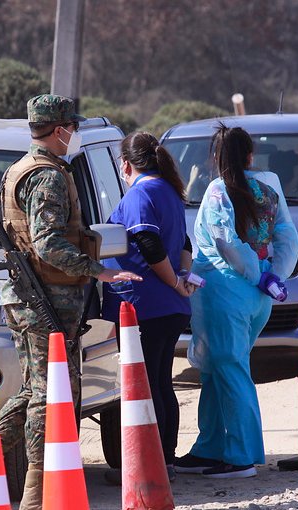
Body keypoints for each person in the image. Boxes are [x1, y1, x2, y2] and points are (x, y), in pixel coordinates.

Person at [0, 94, 141, 509]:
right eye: (72, 126)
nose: (74, 132)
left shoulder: (20, 168)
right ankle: (37, 494)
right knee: (50, 396)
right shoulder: (47, 176)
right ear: (59, 130)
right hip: (44, 301)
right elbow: (48, 243)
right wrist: (99, 270)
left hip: (30, 297)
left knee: (36, 389)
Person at [175, 124, 298, 478]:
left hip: (225, 292)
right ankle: (210, 448)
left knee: (229, 370)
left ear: (215, 157)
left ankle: (242, 455)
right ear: (249, 157)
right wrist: (272, 274)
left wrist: (252, 273)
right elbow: (288, 236)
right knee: (217, 371)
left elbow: (225, 242)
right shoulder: (269, 187)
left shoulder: (217, 191)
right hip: (257, 295)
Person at [100, 131, 195, 484]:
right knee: (160, 383)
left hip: (146, 306)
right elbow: (184, 242)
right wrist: (182, 278)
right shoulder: (170, 190)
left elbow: (148, 242)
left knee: (146, 387)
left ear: (126, 165)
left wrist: (173, 282)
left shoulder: (141, 192)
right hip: (169, 306)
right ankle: (165, 461)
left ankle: (148, 466)